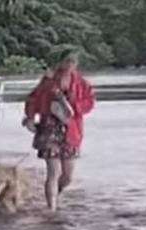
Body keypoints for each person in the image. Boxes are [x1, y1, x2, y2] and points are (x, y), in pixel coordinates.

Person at [23, 49, 95, 212]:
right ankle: (52, 209)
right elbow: (33, 99)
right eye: (67, 61)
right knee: (53, 171)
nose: (70, 65)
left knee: (67, 175)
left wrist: (72, 105)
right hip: (49, 129)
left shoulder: (81, 83)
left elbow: (89, 103)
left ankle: (55, 194)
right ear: (61, 62)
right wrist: (30, 117)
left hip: (71, 131)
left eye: (73, 62)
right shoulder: (48, 80)